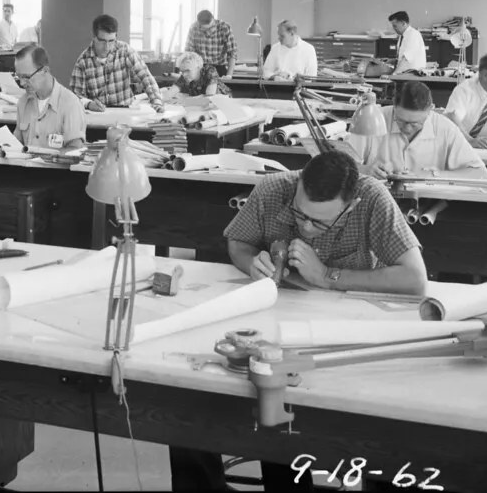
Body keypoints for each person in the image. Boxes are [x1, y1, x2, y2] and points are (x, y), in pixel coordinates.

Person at [169, 151, 427, 491]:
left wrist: (327, 276)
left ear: (351, 205)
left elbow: (414, 279)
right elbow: (238, 242)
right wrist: (251, 264)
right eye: (299, 214)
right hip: (277, 328)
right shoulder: (273, 188)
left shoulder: (373, 199)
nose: (305, 227)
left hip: (344, 333)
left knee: (371, 426)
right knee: (190, 398)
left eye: (320, 222)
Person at [346, 81, 487, 180]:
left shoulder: (445, 128)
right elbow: (340, 165)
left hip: (429, 203)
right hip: (379, 201)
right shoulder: (372, 120)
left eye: (415, 123)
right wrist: (365, 170)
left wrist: (434, 175)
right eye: (401, 121)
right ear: (394, 107)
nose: (407, 128)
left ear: (430, 110)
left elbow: (479, 173)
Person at [70, 14, 164, 113]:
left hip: (126, 113)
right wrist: (89, 104)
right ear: (94, 37)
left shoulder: (125, 50)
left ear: (116, 36)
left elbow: (146, 78)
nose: (107, 47)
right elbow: (76, 96)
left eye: (111, 41)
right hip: (99, 116)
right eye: (102, 41)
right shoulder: (82, 62)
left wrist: (157, 102)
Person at [13, 44, 86, 151]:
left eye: (26, 77)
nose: (22, 83)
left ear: (45, 71)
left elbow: (75, 150)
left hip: (53, 166)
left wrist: (49, 157)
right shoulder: (23, 102)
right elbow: (17, 142)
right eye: (18, 76)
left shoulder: (70, 103)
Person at [184, 10, 237, 78]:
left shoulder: (224, 27)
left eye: (210, 29)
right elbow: (189, 53)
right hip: (200, 69)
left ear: (213, 19)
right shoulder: (194, 28)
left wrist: (229, 75)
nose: (207, 33)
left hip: (219, 69)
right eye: (204, 30)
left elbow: (232, 53)